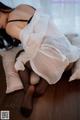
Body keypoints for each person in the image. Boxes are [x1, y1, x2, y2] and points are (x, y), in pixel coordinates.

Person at [0, 2, 80, 117]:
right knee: (45, 52)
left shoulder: (10, 27)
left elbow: (33, 45)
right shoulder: (23, 6)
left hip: (53, 64)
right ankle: (43, 82)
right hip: (68, 59)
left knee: (20, 57)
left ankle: (29, 89)